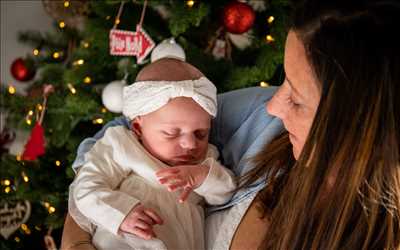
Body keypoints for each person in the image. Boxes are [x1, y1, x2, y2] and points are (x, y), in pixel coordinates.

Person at [62, 0, 400, 249]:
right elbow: (117, 136)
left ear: (360, 125)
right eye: (283, 81)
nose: (273, 104)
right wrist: (78, 243)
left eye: (296, 98)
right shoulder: (260, 120)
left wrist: (203, 175)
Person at [68, 58, 237, 250]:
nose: (190, 144)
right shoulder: (121, 144)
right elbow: (85, 188)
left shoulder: (206, 159)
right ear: (139, 127)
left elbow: (225, 193)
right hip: (127, 241)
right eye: (172, 133)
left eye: (201, 134)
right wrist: (121, 213)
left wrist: (203, 177)